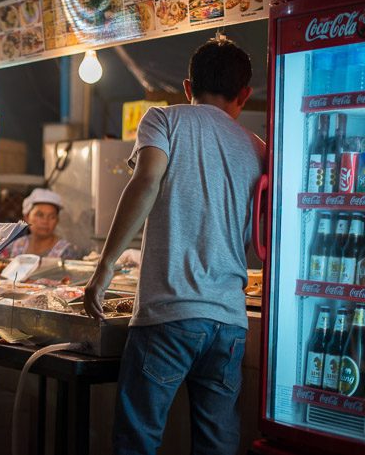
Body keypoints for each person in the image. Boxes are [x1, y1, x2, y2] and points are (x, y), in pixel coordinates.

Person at [83, 38, 265, 455]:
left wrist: (105, 268)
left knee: (137, 441)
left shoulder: (164, 120)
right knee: (217, 446)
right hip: (230, 325)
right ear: (244, 95)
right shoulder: (258, 150)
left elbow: (145, 181)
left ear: (187, 87)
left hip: (168, 315)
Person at [2, 187, 80, 259]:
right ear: (27, 217)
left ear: (57, 220)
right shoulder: (15, 247)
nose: (45, 221)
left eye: (52, 216)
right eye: (40, 215)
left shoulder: (66, 252)